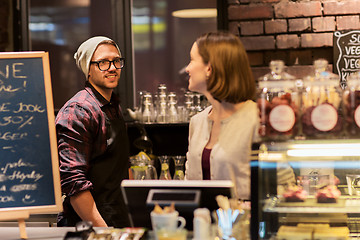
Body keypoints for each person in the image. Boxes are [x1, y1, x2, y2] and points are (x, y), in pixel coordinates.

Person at [55, 36, 130, 227]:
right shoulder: (78, 110)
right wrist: (104, 233)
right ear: (88, 69)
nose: (112, 67)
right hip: (89, 226)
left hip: (115, 217)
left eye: (116, 61)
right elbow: (74, 183)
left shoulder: (112, 106)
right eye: (103, 63)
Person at [184, 32, 260, 200]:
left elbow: (281, 183)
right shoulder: (197, 122)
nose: (187, 68)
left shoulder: (257, 119)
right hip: (202, 224)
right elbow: (189, 182)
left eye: (191, 60)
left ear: (209, 68)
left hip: (244, 223)